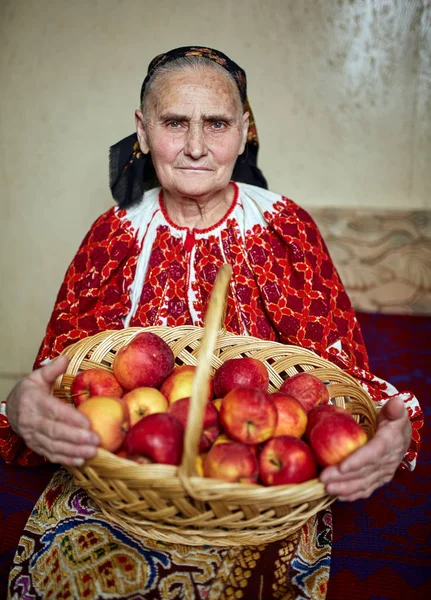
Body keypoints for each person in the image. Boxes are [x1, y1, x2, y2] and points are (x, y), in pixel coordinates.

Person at [1, 46, 423, 599]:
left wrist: (392, 430)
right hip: (130, 480)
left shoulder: (284, 229)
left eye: (217, 123)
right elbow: (55, 379)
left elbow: (339, 378)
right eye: (175, 122)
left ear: (244, 130)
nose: (196, 146)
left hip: (257, 483)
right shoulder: (112, 237)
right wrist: (26, 409)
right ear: (143, 130)